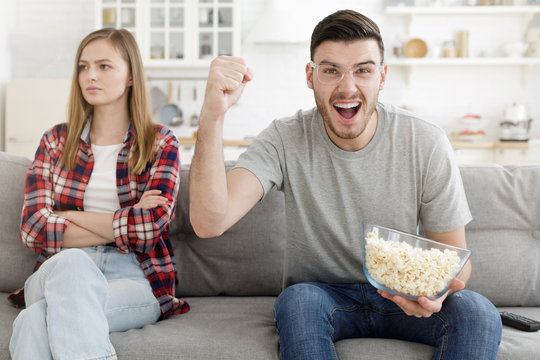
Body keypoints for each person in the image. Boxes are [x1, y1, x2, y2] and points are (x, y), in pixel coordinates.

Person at [189, 9, 502, 360]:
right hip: (322, 298)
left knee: (476, 311)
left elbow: (455, 258)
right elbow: (209, 221)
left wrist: (436, 292)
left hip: (403, 296)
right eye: (331, 70)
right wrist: (212, 115)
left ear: (382, 76)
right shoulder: (284, 138)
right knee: (300, 300)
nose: (347, 87)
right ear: (310, 76)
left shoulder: (425, 141)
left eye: (363, 70)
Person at [8, 28, 189, 360]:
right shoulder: (55, 141)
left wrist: (66, 217)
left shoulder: (160, 142)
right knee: (73, 264)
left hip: (132, 276)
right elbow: (33, 229)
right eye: (83, 66)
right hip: (56, 272)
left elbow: (150, 228)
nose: (90, 75)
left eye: (104, 66)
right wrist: (127, 220)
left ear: (131, 75)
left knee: (34, 320)